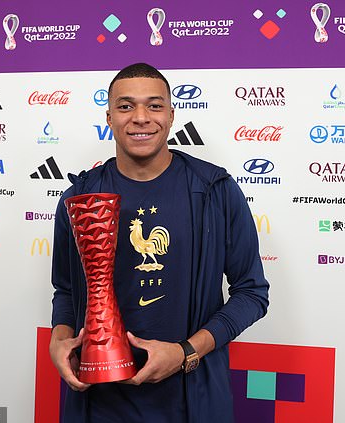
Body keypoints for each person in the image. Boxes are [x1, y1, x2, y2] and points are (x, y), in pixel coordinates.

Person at [50, 63, 269, 423]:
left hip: (190, 402)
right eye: (125, 106)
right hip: (98, 404)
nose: (140, 117)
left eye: (154, 105)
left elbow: (252, 293)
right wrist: (59, 342)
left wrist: (185, 353)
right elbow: (67, 290)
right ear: (108, 117)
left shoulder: (215, 190)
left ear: (171, 115)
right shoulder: (79, 197)